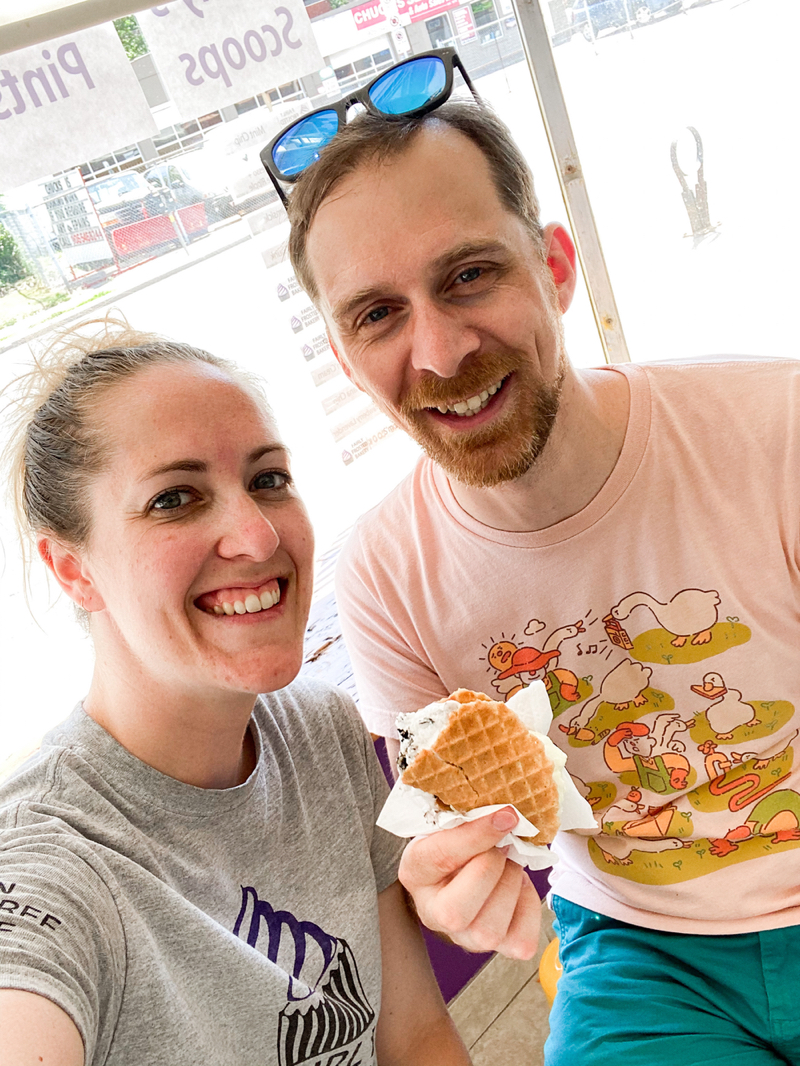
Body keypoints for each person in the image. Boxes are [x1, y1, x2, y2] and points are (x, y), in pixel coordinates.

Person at [276, 78, 800, 1066]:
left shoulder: (774, 431)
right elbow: (481, 821)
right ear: (346, 362)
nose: (437, 351)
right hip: (643, 955)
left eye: (469, 275)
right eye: (377, 314)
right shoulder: (388, 575)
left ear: (553, 265)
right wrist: (458, 879)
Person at [0, 320, 472, 1066]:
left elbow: (414, 1038)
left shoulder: (321, 730)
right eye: (174, 499)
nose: (255, 536)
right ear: (72, 570)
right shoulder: (55, 861)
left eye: (267, 480)